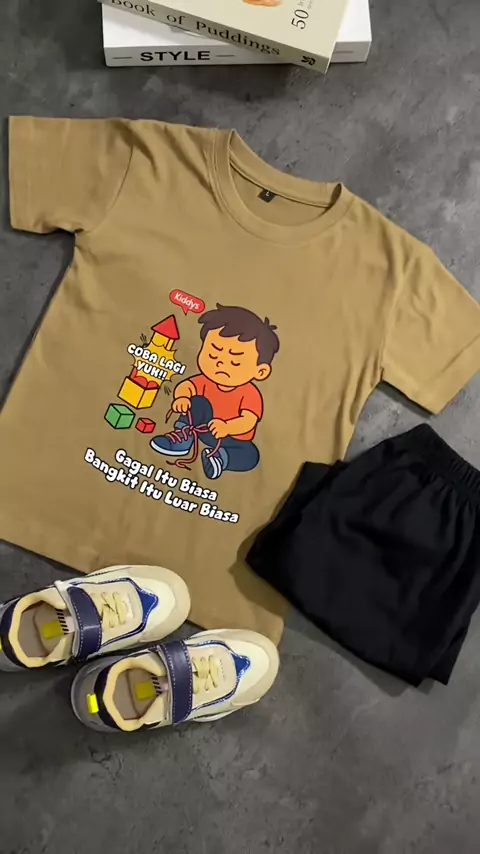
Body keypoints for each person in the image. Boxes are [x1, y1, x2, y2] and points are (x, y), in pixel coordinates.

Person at [150, 304, 280, 479]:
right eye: (213, 355)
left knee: (251, 455)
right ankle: (183, 437)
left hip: (232, 439)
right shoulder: (204, 381)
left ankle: (220, 458)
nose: (220, 364)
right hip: (200, 429)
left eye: (235, 362)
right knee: (197, 402)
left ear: (261, 371)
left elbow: (248, 420)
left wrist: (227, 427)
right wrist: (182, 397)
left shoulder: (250, 394)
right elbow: (187, 386)